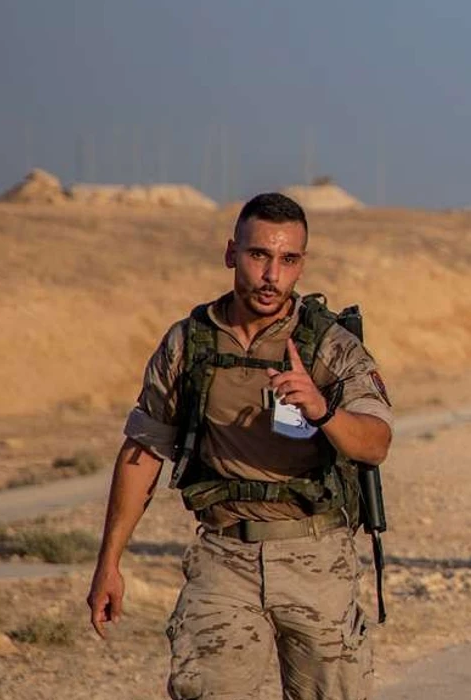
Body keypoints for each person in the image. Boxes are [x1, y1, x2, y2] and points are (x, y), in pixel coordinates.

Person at [86, 193, 394, 699]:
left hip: (316, 559)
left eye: (288, 260)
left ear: (302, 265)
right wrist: (109, 562)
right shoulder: (189, 345)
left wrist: (322, 410)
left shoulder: (329, 345)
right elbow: (143, 452)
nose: (272, 275)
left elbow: (375, 444)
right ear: (231, 254)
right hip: (223, 558)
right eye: (258, 255)